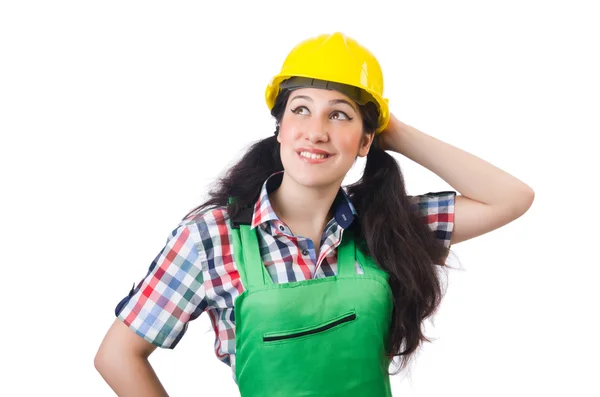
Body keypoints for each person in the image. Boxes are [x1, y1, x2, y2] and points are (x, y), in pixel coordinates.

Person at [94, 32, 534, 396]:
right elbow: (117, 355)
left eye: (340, 115)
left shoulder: (386, 227)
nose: (316, 131)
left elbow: (510, 198)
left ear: (366, 142)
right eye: (300, 109)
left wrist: (394, 131)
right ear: (280, 127)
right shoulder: (213, 237)